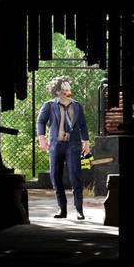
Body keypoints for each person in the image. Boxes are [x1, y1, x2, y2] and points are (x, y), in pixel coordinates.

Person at [36, 76, 91, 219]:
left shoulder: (77, 105)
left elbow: (83, 125)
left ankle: (79, 210)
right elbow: (41, 122)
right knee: (55, 177)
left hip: (73, 146)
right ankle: (62, 209)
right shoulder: (49, 105)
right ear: (58, 92)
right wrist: (41, 138)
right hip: (56, 145)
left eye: (69, 88)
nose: (68, 91)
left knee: (75, 177)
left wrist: (86, 142)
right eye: (65, 89)